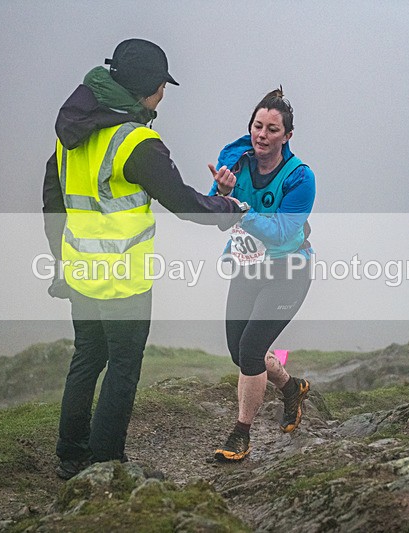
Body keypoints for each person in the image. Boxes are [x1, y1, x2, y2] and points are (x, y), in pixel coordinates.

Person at [42, 38, 243, 479]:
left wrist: (60, 264)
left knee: (87, 358)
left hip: (80, 271)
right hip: (124, 280)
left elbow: (53, 206)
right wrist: (231, 209)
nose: (164, 94)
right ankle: (107, 463)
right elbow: (184, 203)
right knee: (123, 366)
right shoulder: (137, 142)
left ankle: (71, 455)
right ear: (145, 89)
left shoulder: (72, 135)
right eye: (161, 86)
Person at [208, 88, 316, 461]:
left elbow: (284, 233)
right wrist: (221, 194)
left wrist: (236, 207)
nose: (262, 135)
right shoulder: (236, 166)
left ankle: (241, 434)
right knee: (239, 353)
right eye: (258, 126)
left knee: (252, 351)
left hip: (289, 270)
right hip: (247, 267)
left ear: (287, 136)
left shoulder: (300, 177)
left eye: (273, 129)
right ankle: (291, 387)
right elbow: (219, 222)